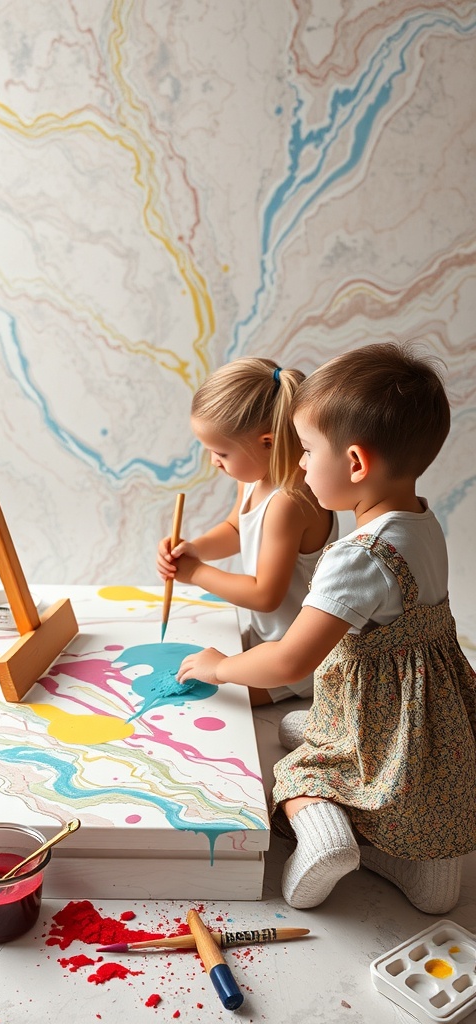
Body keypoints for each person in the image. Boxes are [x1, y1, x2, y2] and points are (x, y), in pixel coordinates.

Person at [176, 342, 476, 914]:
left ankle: (327, 839)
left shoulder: (357, 557)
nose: (301, 464)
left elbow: (291, 661)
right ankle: (432, 872)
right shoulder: (422, 523)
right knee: (303, 725)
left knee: (291, 768)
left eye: (308, 450)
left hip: (380, 716)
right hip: (434, 718)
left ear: (356, 463)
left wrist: (219, 667)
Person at [157, 356, 337, 706]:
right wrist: (194, 549)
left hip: (296, 653)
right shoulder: (256, 478)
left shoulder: (289, 502)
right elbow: (236, 529)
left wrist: (196, 573)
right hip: (267, 635)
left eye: (220, 452)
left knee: (215, 695)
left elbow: (264, 594)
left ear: (267, 443)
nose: (213, 462)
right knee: (203, 668)